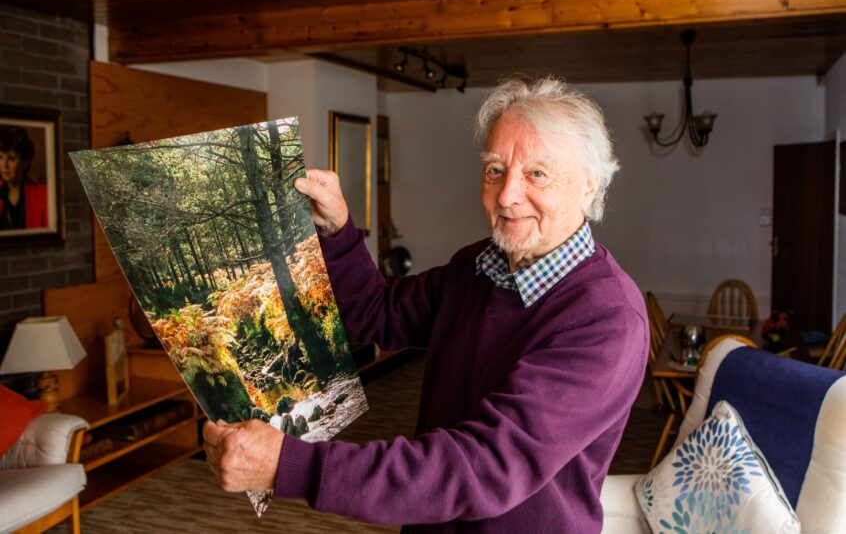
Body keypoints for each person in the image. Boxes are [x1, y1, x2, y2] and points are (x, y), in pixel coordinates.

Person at [203, 77, 649, 532]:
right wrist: (338, 230)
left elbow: (481, 468)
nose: (508, 194)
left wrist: (290, 465)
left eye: (538, 173)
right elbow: (377, 312)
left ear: (589, 187)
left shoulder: (607, 319)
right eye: (495, 169)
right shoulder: (478, 266)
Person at [0, 125, 47, 230]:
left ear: (25, 162)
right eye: (1, 157)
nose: (4, 165)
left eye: (11, 158)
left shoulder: (43, 195)